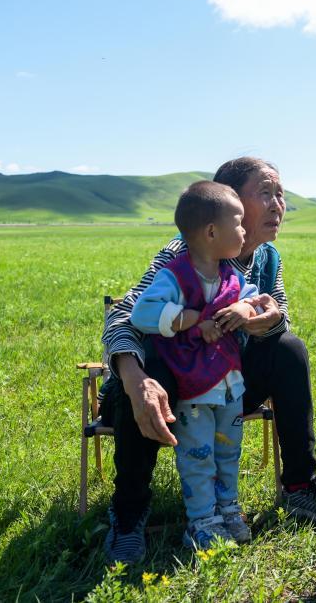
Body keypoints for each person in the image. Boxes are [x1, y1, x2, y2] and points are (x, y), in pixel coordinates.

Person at [101, 157, 316, 564]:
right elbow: (124, 314)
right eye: (266, 192)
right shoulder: (185, 252)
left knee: (289, 348)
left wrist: (264, 317)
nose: (278, 204)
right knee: (149, 369)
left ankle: (300, 490)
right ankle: (129, 514)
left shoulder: (267, 257)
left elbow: (279, 316)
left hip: (225, 382)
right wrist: (135, 380)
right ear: (228, 205)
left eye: (281, 194)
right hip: (174, 385)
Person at [129, 181, 259, 549]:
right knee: (198, 454)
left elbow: (254, 301)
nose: (244, 230)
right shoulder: (174, 274)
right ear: (212, 232)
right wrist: (189, 319)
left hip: (230, 384)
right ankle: (201, 522)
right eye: (238, 223)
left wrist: (245, 309)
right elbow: (144, 311)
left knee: (228, 450)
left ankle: (228, 509)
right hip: (193, 386)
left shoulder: (231, 276)